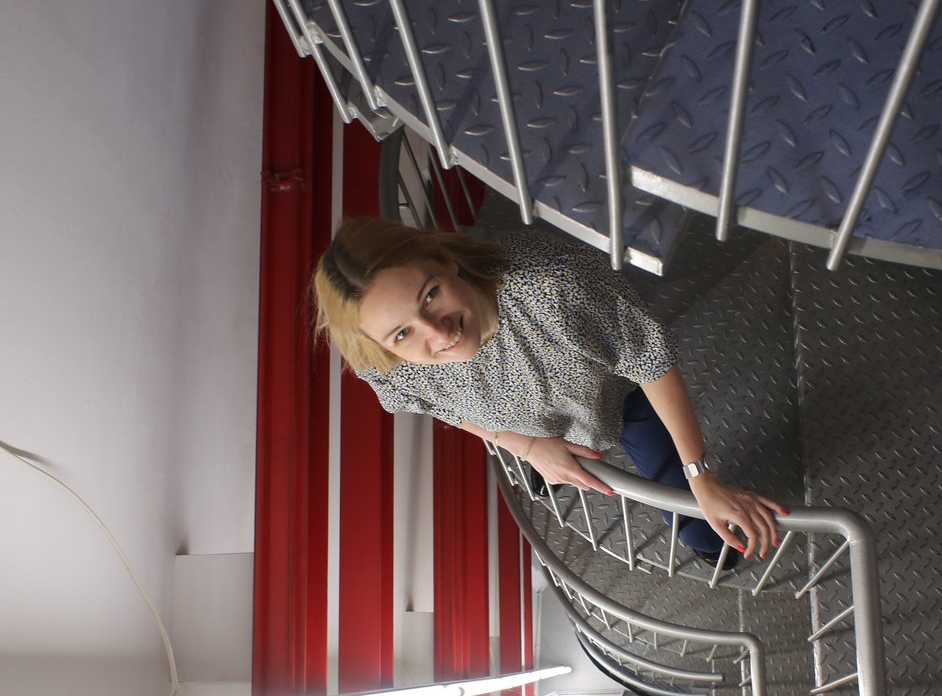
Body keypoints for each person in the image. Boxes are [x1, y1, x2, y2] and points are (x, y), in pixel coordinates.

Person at [312, 216, 787, 562]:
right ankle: (541, 463)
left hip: (615, 397)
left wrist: (703, 478)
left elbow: (648, 359)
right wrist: (525, 444)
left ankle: (707, 545)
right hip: (527, 425)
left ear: (446, 261)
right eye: (402, 334)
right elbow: (436, 403)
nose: (439, 334)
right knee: (542, 459)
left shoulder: (553, 285)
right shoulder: (391, 365)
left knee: (702, 526)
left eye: (430, 295)